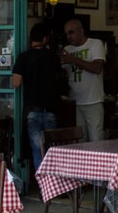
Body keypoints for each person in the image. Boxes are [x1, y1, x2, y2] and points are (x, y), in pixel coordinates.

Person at [12, 22, 67, 170]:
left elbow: (16, 82)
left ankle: (43, 188)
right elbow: (60, 78)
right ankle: (52, 185)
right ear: (45, 39)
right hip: (50, 109)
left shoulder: (23, 57)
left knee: (37, 149)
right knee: (50, 150)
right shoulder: (53, 57)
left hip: (32, 110)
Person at [59, 18, 107, 142]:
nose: (68, 36)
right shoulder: (67, 50)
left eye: (71, 32)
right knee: (79, 141)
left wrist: (73, 60)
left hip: (93, 101)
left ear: (81, 31)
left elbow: (97, 68)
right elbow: (61, 75)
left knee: (96, 141)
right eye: (66, 34)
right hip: (74, 102)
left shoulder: (95, 44)